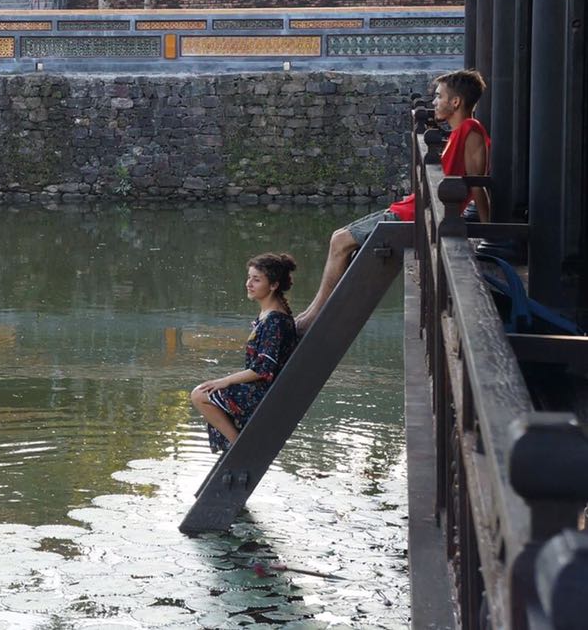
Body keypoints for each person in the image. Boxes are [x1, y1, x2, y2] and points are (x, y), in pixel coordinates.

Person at [294, 69, 490, 334]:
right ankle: (313, 312)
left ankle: (314, 316)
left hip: (413, 214)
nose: (434, 102)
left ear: (455, 102)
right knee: (340, 238)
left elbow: (478, 184)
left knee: (339, 241)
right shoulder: (457, 132)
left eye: (439, 96)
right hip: (412, 207)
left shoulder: (470, 131)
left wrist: (489, 231)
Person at [191, 253, 300, 453]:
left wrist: (226, 381)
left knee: (200, 395)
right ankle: (236, 443)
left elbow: (263, 369)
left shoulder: (275, 320)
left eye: (256, 279)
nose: (249, 283)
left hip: (266, 395)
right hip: (264, 390)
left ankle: (240, 447)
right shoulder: (270, 314)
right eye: (249, 277)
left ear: (274, 285)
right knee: (206, 393)